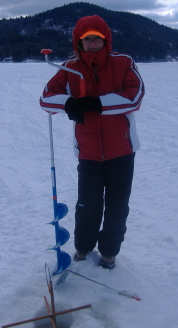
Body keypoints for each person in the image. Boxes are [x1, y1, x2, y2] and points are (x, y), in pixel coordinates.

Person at [40, 15, 144, 269]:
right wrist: (69, 103)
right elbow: (45, 99)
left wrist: (96, 104)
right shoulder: (69, 68)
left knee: (117, 205)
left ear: (106, 40)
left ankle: (109, 252)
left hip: (121, 150)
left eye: (98, 39)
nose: (93, 43)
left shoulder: (123, 62)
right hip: (87, 152)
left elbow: (134, 97)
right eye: (88, 40)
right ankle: (83, 248)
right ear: (79, 42)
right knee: (87, 204)